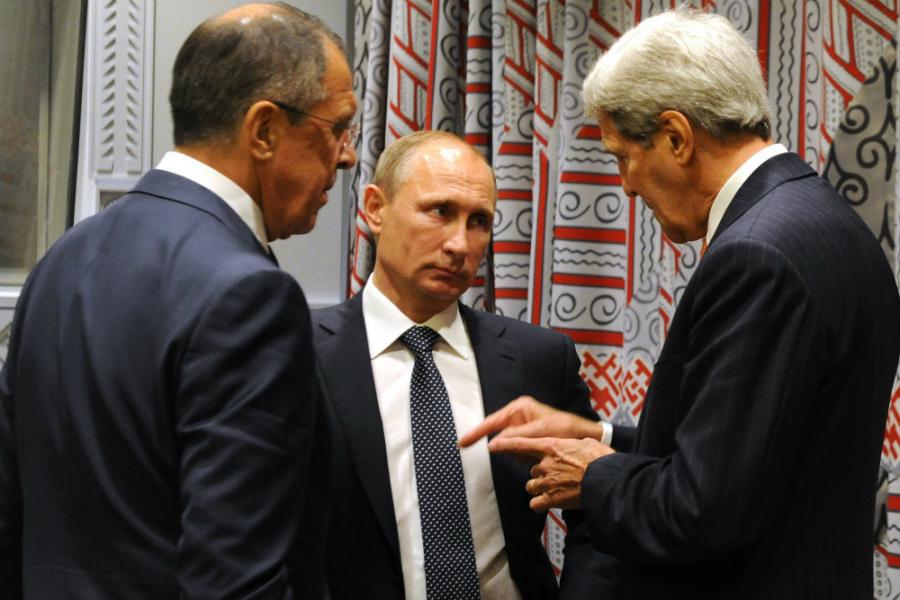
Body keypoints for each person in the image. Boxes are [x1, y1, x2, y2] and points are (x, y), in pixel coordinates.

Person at [460, 8, 900, 599]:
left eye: (622, 155)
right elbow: (752, 454)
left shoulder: (756, 255)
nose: (626, 185)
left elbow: (702, 511)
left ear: (676, 137)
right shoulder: (827, 223)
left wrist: (592, 476)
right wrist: (599, 435)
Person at [0, 3, 357, 598]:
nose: (347, 155)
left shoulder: (63, 260)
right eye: (337, 127)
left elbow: (11, 515)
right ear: (265, 130)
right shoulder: (249, 295)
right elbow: (237, 579)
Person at [312, 130, 600, 600]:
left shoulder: (540, 359)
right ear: (375, 209)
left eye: (479, 221)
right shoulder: (300, 355)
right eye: (440, 212)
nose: (459, 244)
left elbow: (595, 505)